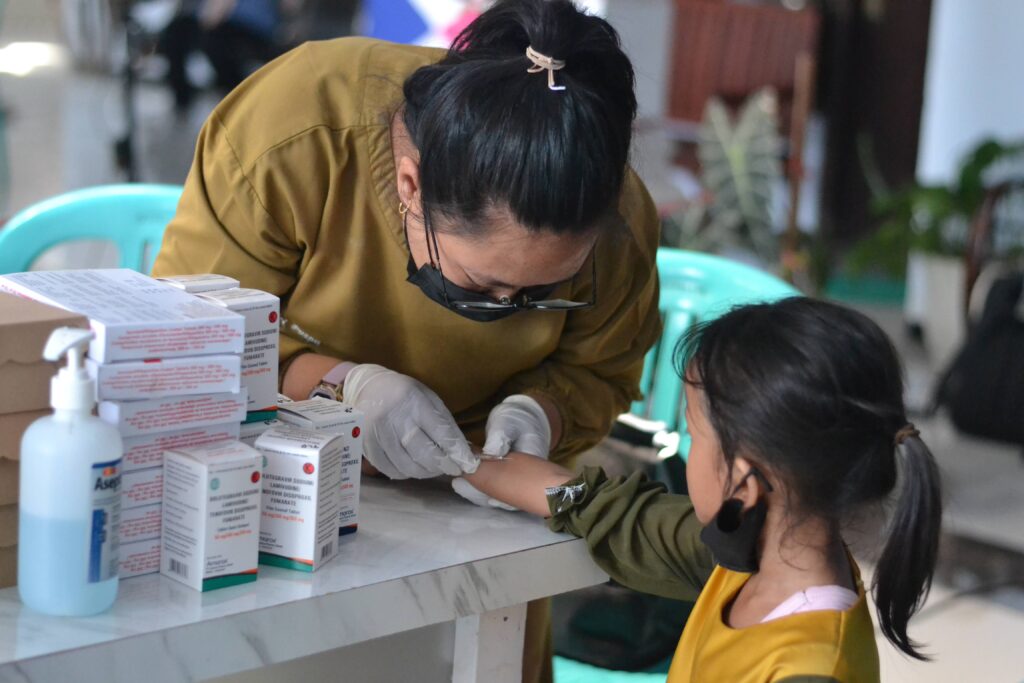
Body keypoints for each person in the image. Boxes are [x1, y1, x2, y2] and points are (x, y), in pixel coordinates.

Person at [151, 1, 661, 680]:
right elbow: (188, 343)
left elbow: (602, 368)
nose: (510, 311)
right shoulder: (296, 133)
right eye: (481, 287)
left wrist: (545, 411)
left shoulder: (613, 213)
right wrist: (339, 388)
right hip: (265, 513)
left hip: (481, 549)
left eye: (543, 294)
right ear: (411, 186)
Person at [461, 297, 944, 682]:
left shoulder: (808, 668)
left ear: (744, 481)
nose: (688, 451)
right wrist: (462, 461)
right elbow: (612, 512)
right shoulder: (755, 558)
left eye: (693, 434)